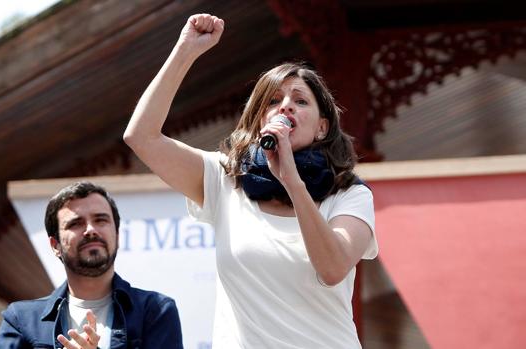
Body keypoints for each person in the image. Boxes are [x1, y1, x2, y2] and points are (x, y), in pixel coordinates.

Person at [124, 13, 378, 349]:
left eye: (300, 101)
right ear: (260, 122)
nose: (285, 107)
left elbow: (333, 269)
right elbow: (141, 137)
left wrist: (292, 182)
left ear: (322, 127)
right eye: (273, 101)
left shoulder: (348, 194)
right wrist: (185, 50)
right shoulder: (225, 179)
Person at [0, 181, 184, 349]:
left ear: (117, 237)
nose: (91, 230)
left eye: (100, 220)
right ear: (56, 246)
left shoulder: (156, 310)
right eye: (76, 223)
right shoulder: (20, 320)